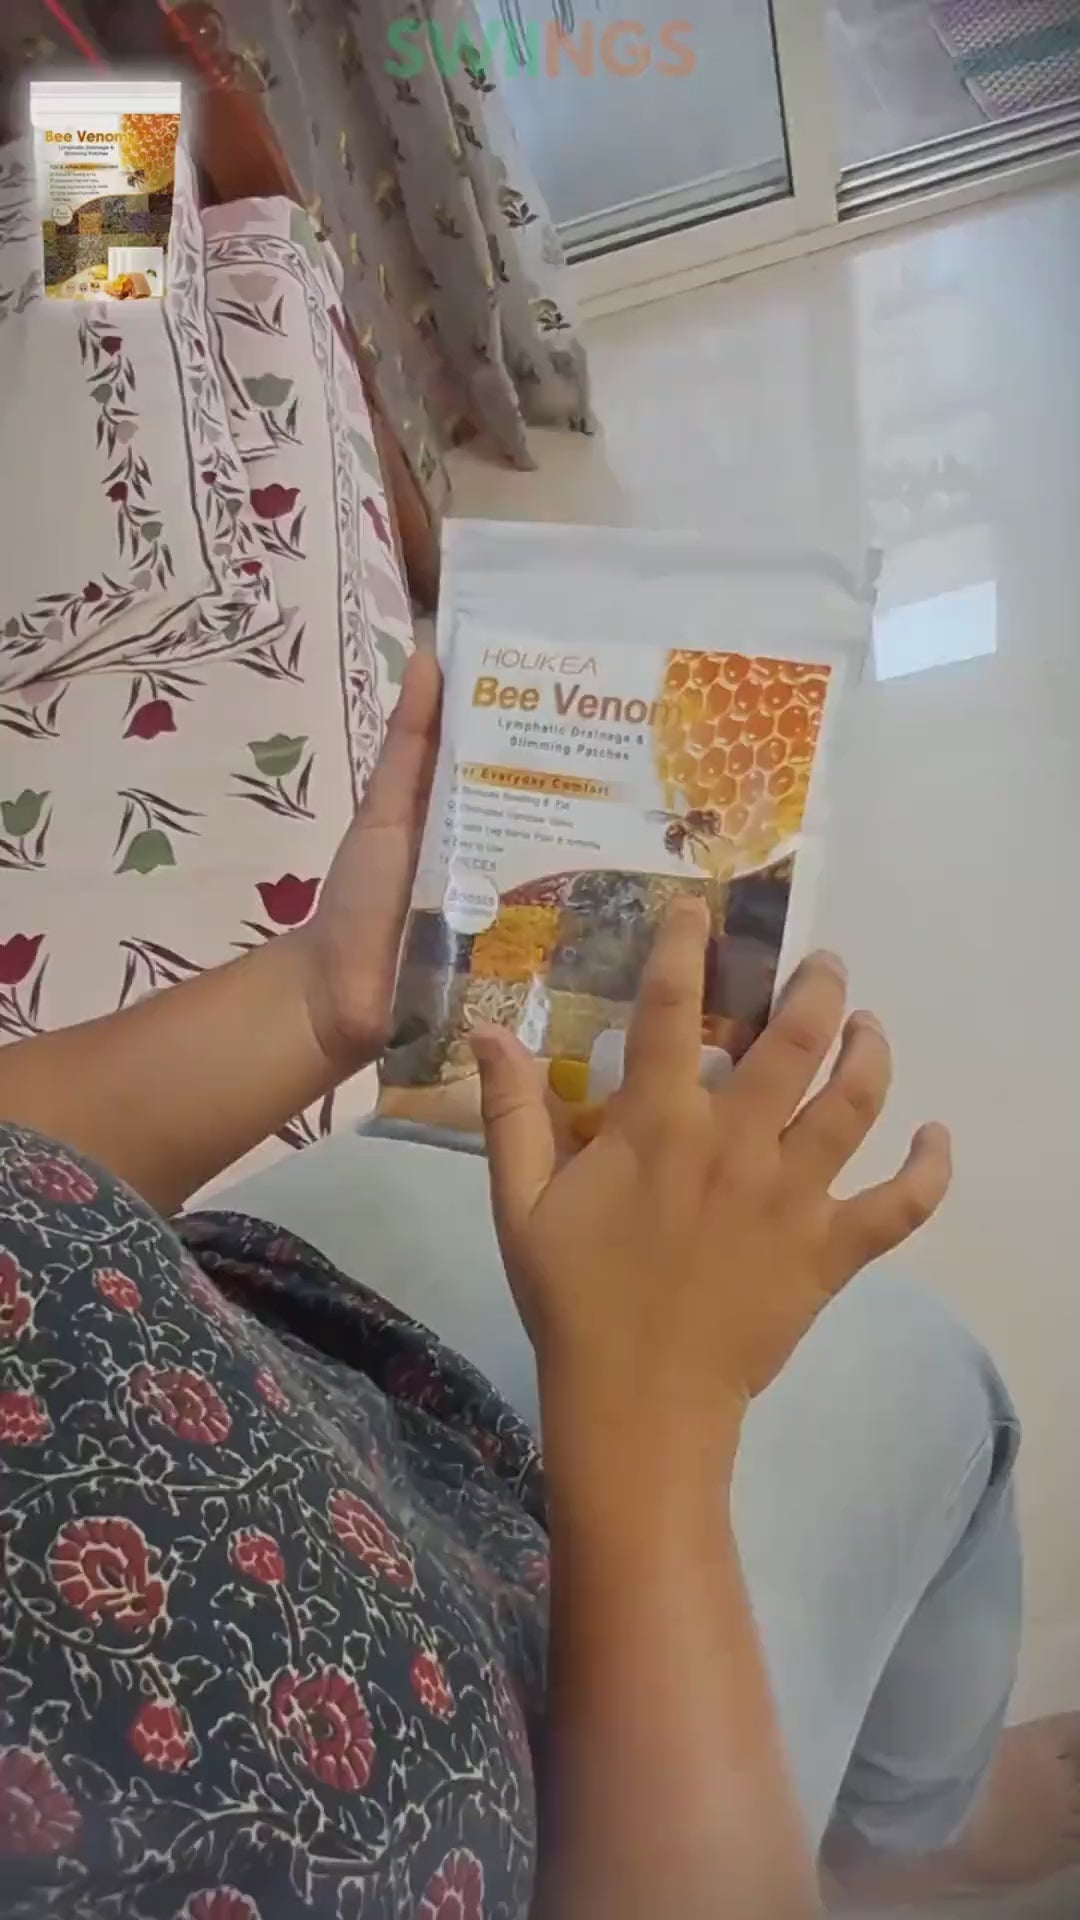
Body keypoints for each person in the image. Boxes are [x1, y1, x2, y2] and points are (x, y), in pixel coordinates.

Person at [0, 651, 1075, 1920]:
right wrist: (659, 1412)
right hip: (588, 1782)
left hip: (279, 1341)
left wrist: (317, 1001)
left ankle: (909, 1813)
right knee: (932, 1382)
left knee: (535, 1154)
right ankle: (910, 1828)